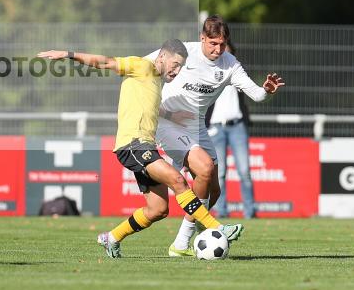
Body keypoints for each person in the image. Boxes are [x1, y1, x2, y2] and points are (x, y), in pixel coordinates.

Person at [37, 40, 243, 259]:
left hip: (144, 147)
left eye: (181, 66)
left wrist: (173, 116)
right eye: (175, 64)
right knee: (179, 181)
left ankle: (113, 238)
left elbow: (150, 108)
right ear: (162, 57)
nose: (177, 70)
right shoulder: (142, 66)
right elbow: (105, 62)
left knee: (158, 209)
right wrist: (69, 54)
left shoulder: (155, 82)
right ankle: (217, 228)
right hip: (132, 145)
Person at [154, 16, 283, 257]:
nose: (218, 49)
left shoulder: (230, 64)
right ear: (202, 38)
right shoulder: (183, 51)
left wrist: (266, 90)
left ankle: (192, 234)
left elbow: (256, 95)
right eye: (212, 43)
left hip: (197, 127)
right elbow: (142, 66)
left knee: (214, 191)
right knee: (204, 168)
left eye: (222, 44)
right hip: (169, 123)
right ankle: (182, 243)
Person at [205, 42, 255, 219]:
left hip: (237, 126)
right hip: (216, 128)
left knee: (244, 171)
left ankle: (250, 212)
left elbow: (253, 91)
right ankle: (222, 212)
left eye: (227, 52)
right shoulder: (208, 74)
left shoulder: (238, 72)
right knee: (220, 173)